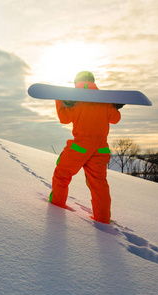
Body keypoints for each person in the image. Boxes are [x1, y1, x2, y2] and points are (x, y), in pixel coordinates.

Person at [49, 71, 123, 224]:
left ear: (77, 81)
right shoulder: (104, 100)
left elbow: (64, 118)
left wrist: (60, 100)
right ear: (93, 82)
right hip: (101, 149)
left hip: (80, 147)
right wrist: (115, 106)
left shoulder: (75, 99)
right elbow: (115, 119)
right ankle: (102, 220)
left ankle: (56, 210)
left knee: (61, 176)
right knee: (99, 185)